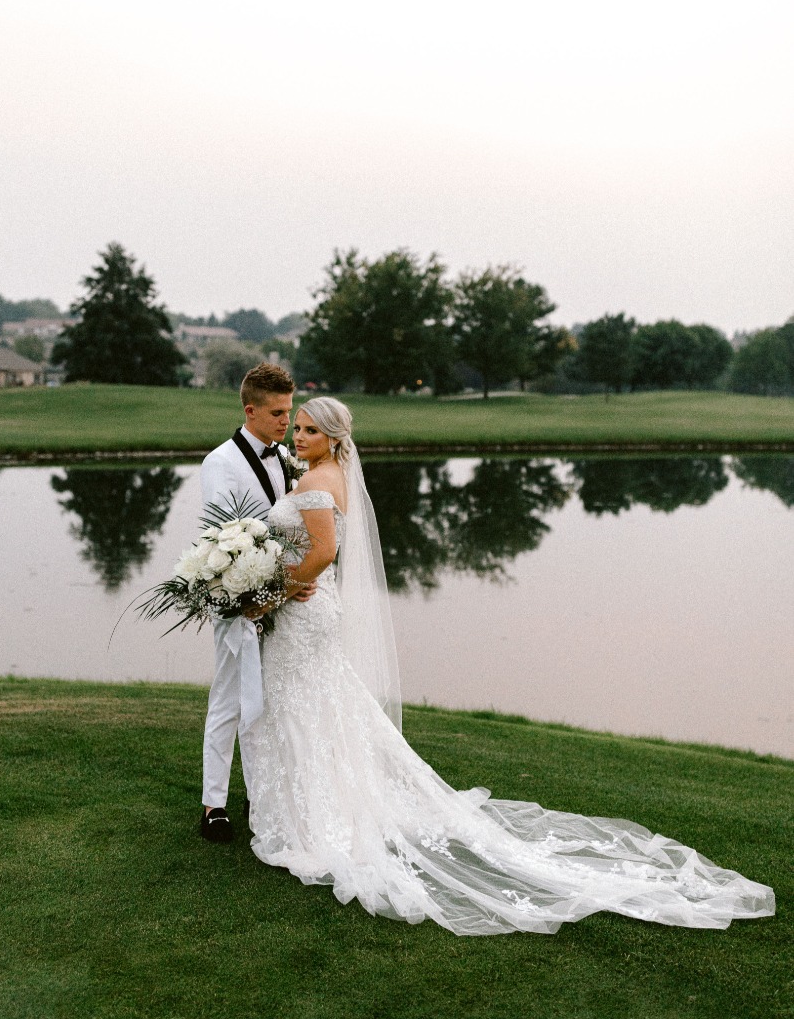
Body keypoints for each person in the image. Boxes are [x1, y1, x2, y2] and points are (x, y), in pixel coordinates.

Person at [243, 396, 775, 936]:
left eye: (310, 430)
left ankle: (315, 819)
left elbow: (321, 554)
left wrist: (268, 597)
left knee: (302, 703)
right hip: (312, 610)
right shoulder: (328, 473)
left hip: (303, 610)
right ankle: (325, 803)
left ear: (334, 437)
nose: (298, 437)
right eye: (297, 429)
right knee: (321, 705)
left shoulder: (317, 480)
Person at [198, 362, 314, 843]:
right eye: (277, 413)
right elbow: (220, 535)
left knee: (271, 700)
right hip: (240, 598)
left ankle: (262, 793)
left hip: (279, 598)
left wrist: (292, 581)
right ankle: (213, 806)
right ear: (250, 410)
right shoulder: (219, 462)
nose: (286, 422)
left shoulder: (284, 456)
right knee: (229, 701)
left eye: (288, 412)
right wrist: (253, 596)